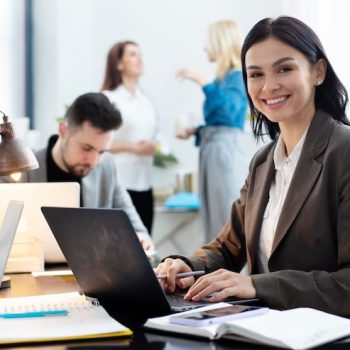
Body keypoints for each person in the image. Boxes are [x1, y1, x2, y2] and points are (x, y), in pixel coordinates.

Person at [155, 16, 350, 316]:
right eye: (255, 74)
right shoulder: (262, 161)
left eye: (284, 68)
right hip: (260, 329)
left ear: (318, 72)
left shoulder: (344, 151)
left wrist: (257, 286)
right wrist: (186, 267)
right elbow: (227, 247)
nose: (269, 86)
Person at [17, 92, 153, 250]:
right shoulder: (23, 169)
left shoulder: (107, 167)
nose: (93, 161)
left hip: (93, 273)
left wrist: (140, 240)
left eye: (101, 151)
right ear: (63, 130)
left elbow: (138, 229)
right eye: (86, 148)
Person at [176, 20, 249, 242]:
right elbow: (221, 121)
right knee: (212, 217)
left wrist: (201, 81)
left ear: (220, 43)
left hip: (223, 153)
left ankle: (230, 274)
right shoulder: (223, 78)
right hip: (213, 150)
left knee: (224, 216)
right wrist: (196, 131)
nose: (205, 48)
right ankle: (214, 272)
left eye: (208, 43)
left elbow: (229, 114)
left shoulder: (237, 76)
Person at [101, 41, 157, 234]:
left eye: (140, 54)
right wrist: (133, 147)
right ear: (118, 64)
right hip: (122, 182)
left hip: (145, 183)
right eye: (133, 54)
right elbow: (99, 143)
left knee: (146, 245)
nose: (139, 58)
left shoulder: (146, 100)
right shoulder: (109, 98)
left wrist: (153, 146)